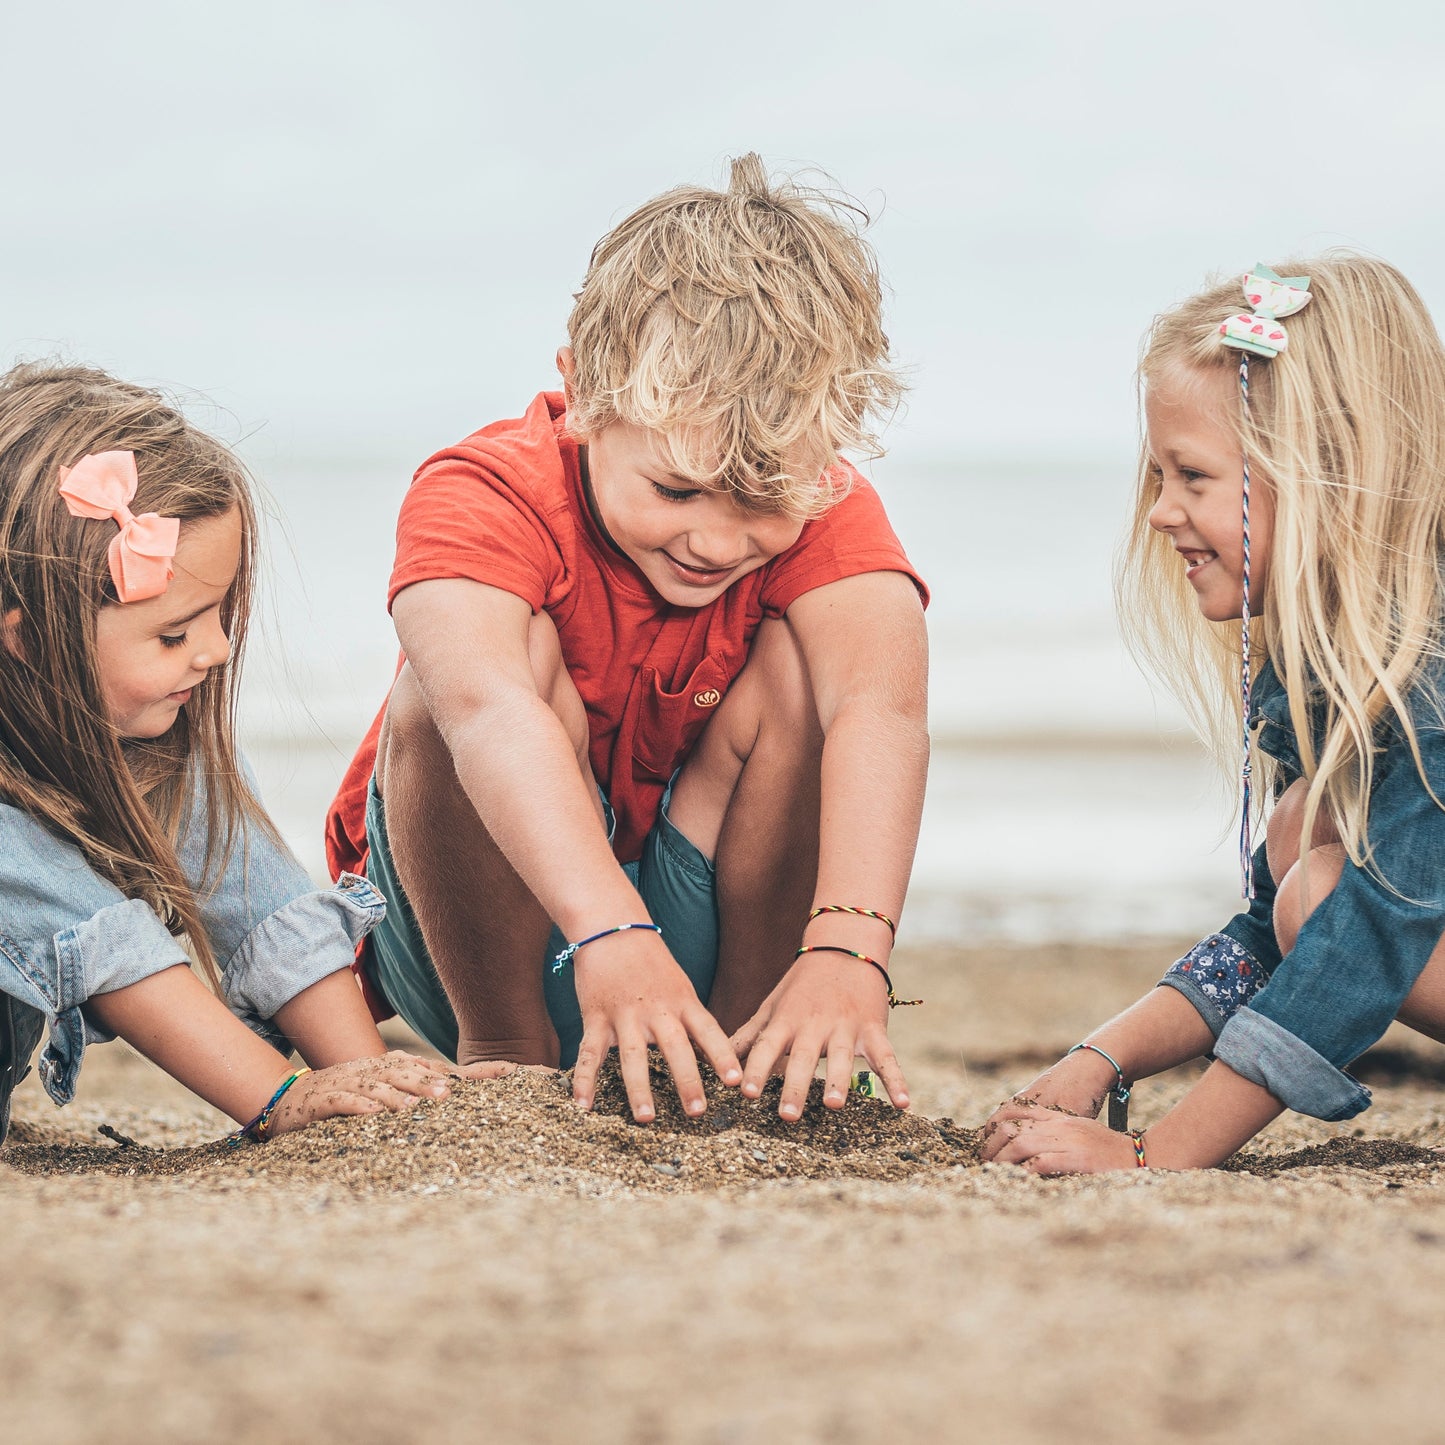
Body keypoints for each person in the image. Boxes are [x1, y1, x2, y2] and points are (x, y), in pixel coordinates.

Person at [326, 154, 930, 1126]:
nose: (716, 539)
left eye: (766, 499)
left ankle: (746, 1049)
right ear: (585, 397)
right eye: (677, 489)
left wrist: (845, 950)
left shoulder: (829, 503)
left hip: (697, 936)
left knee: (807, 671)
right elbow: (478, 708)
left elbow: (881, 711)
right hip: (479, 943)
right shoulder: (485, 489)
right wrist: (607, 924)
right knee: (476, 675)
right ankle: (510, 1062)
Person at [983, 254, 1445, 1173]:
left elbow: (1361, 932)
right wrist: (1095, 1060)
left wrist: (1156, 1155)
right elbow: (1270, 932)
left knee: (1324, 887)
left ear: (1321, 474)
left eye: (1191, 476)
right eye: (1159, 474)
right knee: (1298, 839)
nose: (1159, 512)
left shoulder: (1428, 678)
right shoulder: (1324, 665)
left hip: (1376, 921)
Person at [0, 362, 505, 1148]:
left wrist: (373, 1082)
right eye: (175, 633)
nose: (218, 649)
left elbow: (264, 906)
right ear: (28, 639)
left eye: (218, 615)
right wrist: (282, 1098)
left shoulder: (152, 739)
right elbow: (103, 944)